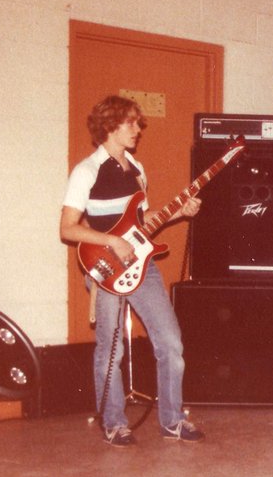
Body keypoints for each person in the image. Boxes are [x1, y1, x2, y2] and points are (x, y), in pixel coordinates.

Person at [60, 95, 204, 447]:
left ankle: (172, 420)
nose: (138, 129)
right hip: (106, 267)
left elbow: (142, 225)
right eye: (131, 123)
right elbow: (68, 228)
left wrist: (180, 212)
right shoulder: (86, 171)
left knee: (171, 342)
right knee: (111, 349)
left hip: (143, 266)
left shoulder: (137, 169)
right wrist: (111, 241)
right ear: (110, 125)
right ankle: (113, 422)